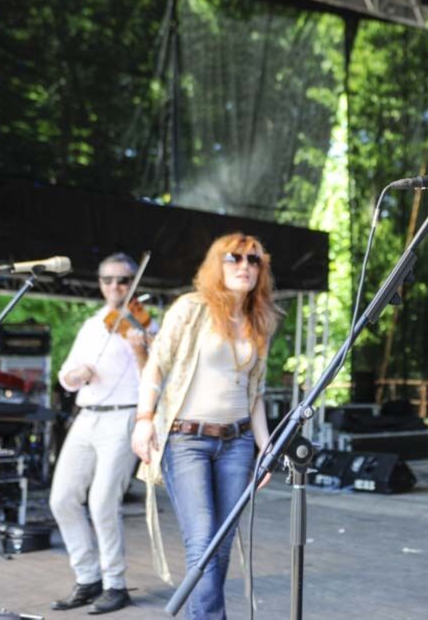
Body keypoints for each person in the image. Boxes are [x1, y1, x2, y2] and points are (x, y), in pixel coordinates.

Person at [132, 233, 277, 620]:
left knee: (221, 544)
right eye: (235, 258)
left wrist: (266, 448)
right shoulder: (192, 308)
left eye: (254, 260)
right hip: (186, 441)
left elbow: (255, 391)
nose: (245, 266)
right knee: (203, 543)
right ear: (218, 263)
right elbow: (155, 366)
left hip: (238, 442)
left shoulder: (260, 320)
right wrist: (144, 419)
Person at [50, 252, 150, 614]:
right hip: (87, 416)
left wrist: (140, 351)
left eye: (123, 280)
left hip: (123, 416)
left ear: (133, 283)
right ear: (100, 283)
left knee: (103, 501)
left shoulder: (147, 325)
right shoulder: (93, 324)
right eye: (108, 280)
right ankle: (88, 577)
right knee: (62, 499)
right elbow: (66, 374)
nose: (115, 286)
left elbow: (155, 381)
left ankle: (115, 584)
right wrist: (74, 376)